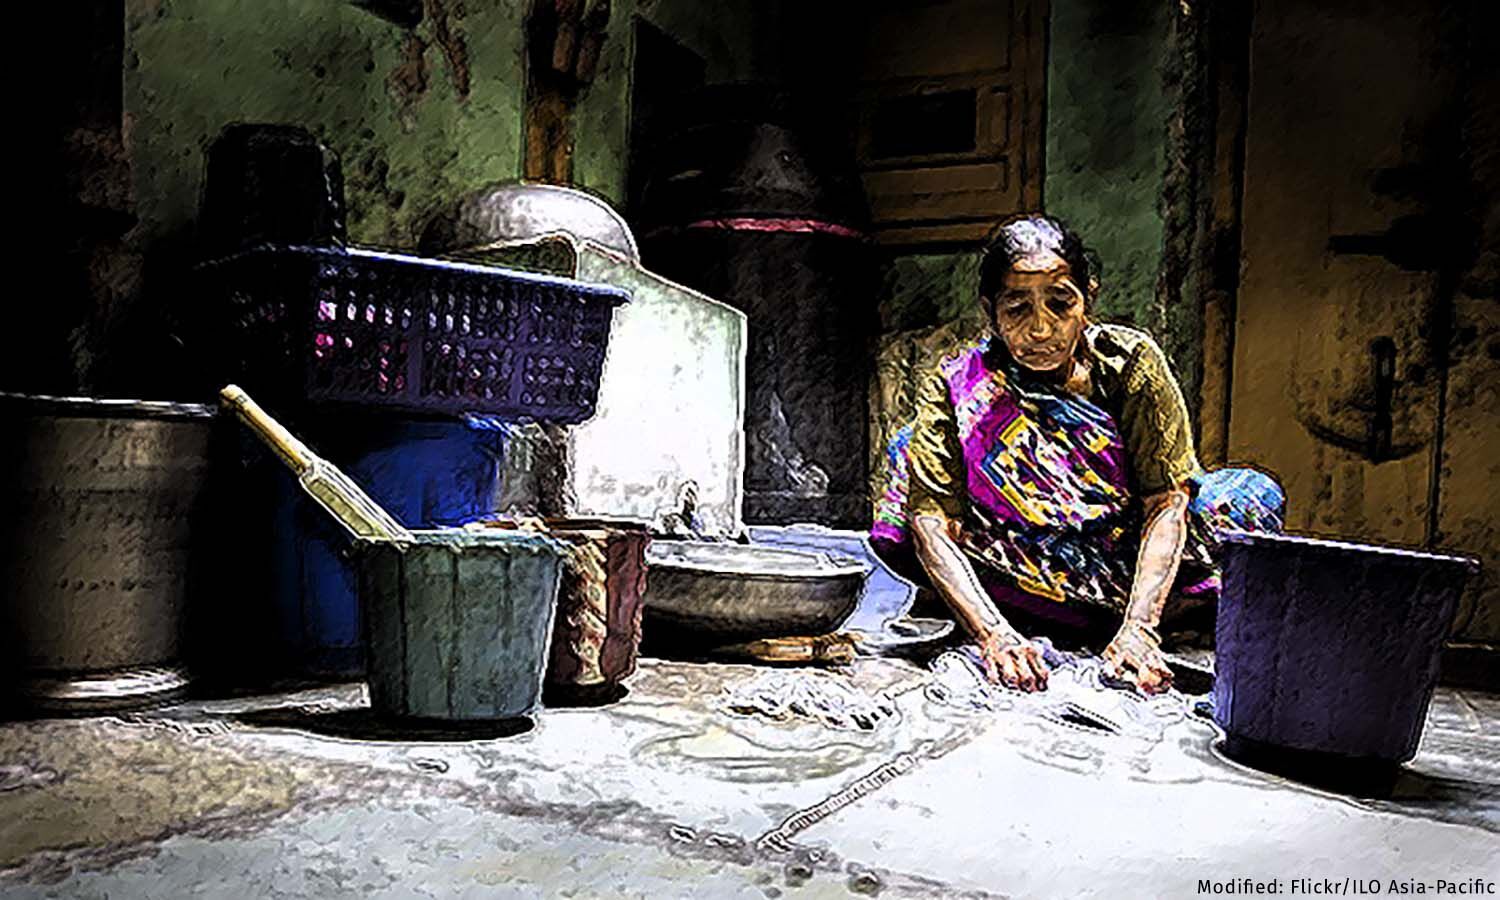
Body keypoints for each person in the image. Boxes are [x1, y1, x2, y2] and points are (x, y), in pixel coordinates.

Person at [870, 214, 1284, 694]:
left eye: (1060, 304)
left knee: (1247, 499)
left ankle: (1132, 614)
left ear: (1088, 300)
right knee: (909, 465)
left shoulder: (1131, 365)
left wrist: (1139, 630)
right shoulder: (960, 385)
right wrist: (994, 634)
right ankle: (1029, 610)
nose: (1041, 329)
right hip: (1018, 558)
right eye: (1017, 308)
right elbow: (931, 522)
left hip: (1122, 551)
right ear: (991, 312)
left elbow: (1166, 502)